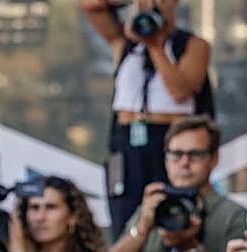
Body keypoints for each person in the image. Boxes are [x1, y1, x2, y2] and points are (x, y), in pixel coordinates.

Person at [81, 0, 212, 236]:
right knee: (125, 216)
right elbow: (90, 5)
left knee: (171, 213)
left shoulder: (191, 45)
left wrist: (155, 46)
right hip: (127, 139)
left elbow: (180, 91)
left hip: (169, 139)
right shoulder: (125, 43)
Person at [106, 116, 245, 252]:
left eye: (195, 155)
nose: (184, 163)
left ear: (214, 158)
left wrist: (189, 246)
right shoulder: (151, 209)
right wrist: (141, 229)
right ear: (165, 159)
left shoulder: (233, 216)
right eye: (176, 154)